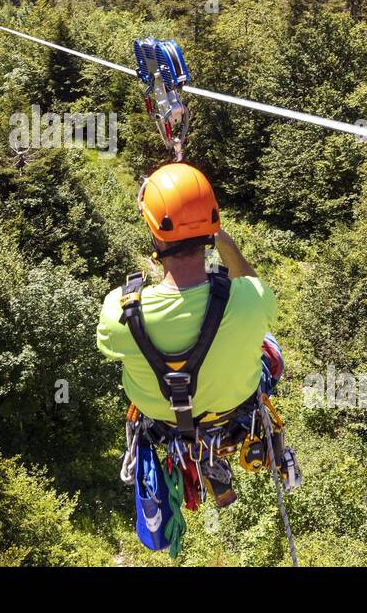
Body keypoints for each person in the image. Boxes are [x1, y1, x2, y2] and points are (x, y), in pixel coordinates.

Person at [96, 162, 276, 430]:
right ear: (211, 228)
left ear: (156, 236)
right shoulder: (252, 299)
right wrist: (224, 242)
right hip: (233, 410)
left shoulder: (118, 310)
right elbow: (250, 280)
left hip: (161, 419)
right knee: (270, 346)